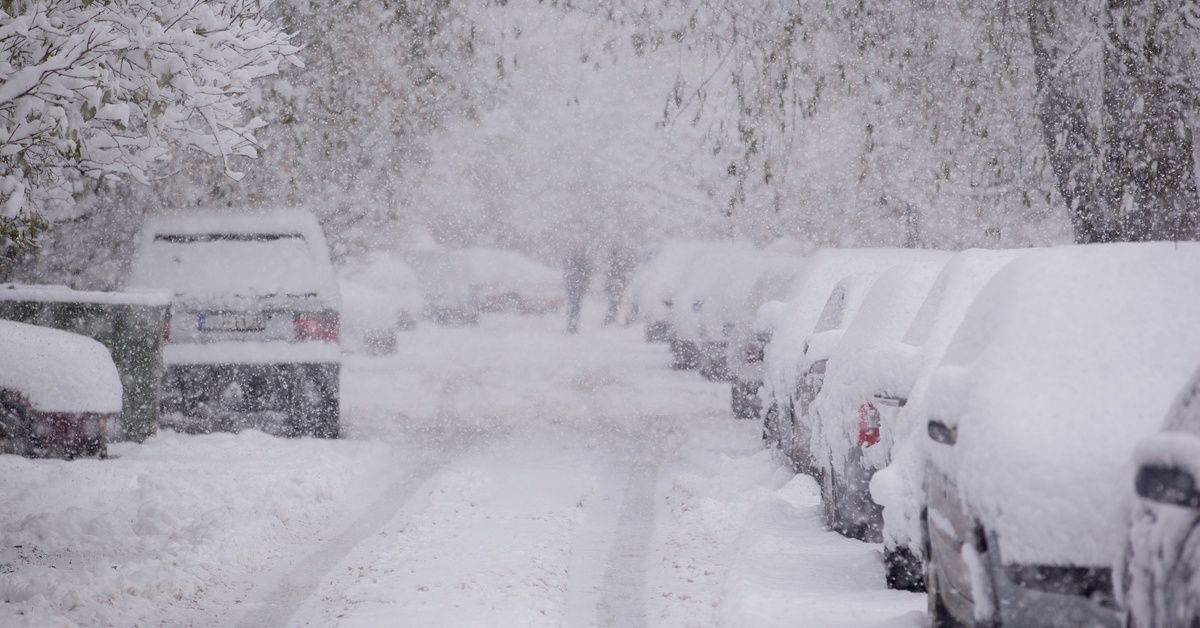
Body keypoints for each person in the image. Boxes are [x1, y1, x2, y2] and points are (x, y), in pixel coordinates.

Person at [563, 246, 593, 333]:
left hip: (579, 288)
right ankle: (570, 325)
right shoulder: (572, 261)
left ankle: (574, 325)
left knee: (577, 307)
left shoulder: (584, 262)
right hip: (572, 288)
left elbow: (587, 276)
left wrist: (584, 286)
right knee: (572, 306)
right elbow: (568, 275)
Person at [602, 246, 635, 327]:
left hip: (614, 288)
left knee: (614, 304)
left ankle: (610, 320)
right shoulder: (616, 265)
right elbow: (616, 276)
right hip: (615, 288)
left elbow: (610, 277)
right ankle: (609, 320)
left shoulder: (612, 264)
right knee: (614, 304)